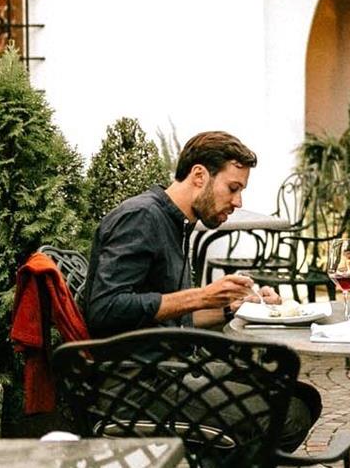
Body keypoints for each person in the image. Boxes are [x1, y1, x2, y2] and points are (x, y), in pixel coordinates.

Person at [81, 130, 320, 449]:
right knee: (290, 414)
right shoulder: (141, 217)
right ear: (199, 175)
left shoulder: (177, 224)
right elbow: (104, 308)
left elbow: (170, 316)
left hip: (171, 368)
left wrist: (231, 307)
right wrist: (202, 295)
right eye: (233, 188)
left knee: (301, 394)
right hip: (136, 386)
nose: (238, 202)